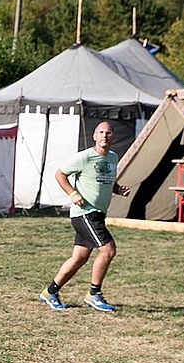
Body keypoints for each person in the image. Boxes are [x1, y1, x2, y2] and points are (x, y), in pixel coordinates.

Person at [39, 121, 130, 312]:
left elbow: (107, 179)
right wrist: (73, 193)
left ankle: (50, 292)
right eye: (101, 132)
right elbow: (60, 174)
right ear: (94, 136)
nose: (104, 135)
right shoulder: (84, 157)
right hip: (85, 213)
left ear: (113, 136)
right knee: (108, 250)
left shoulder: (113, 158)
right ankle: (93, 294)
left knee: (79, 258)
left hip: (98, 213)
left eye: (108, 133)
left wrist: (118, 189)